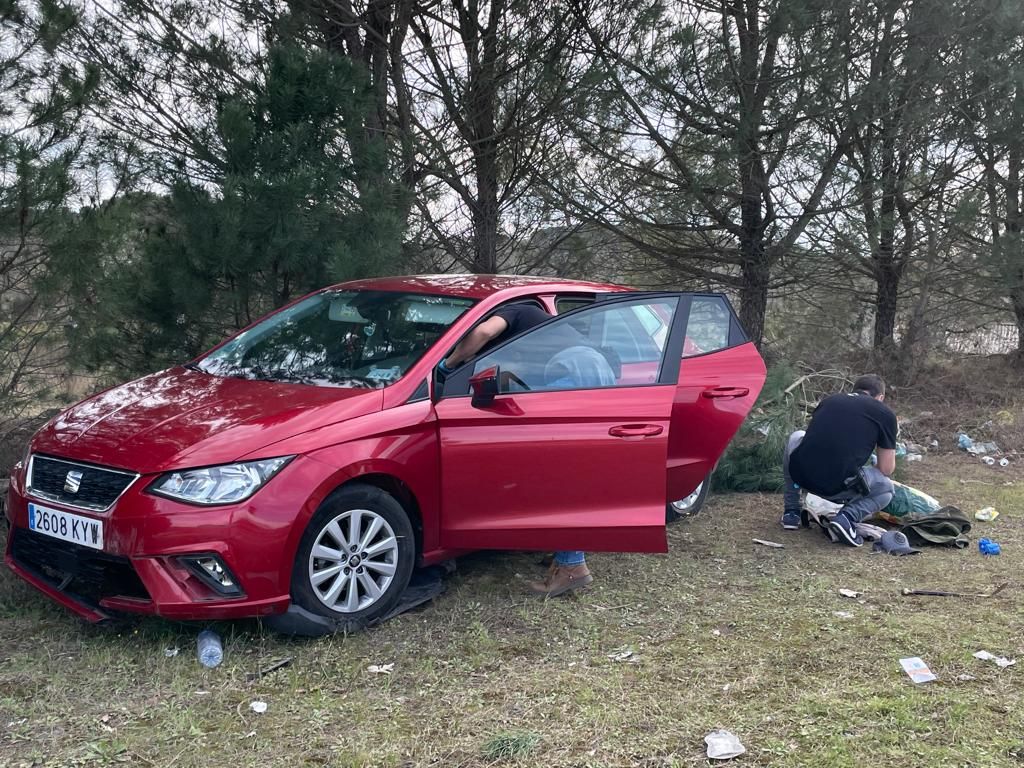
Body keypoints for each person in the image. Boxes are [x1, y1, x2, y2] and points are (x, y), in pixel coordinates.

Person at [437, 301, 595, 597]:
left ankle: (573, 566)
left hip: (574, 371)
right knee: (566, 472)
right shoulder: (533, 327)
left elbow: (483, 332)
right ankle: (567, 552)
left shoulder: (513, 310)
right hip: (587, 367)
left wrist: (448, 364)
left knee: (560, 475)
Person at [781, 374, 897, 547]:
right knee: (886, 488)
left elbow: (818, 441)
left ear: (854, 390)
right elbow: (886, 469)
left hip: (801, 477)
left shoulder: (830, 401)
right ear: (880, 397)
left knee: (796, 437)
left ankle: (792, 512)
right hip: (835, 488)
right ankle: (846, 518)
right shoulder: (885, 414)